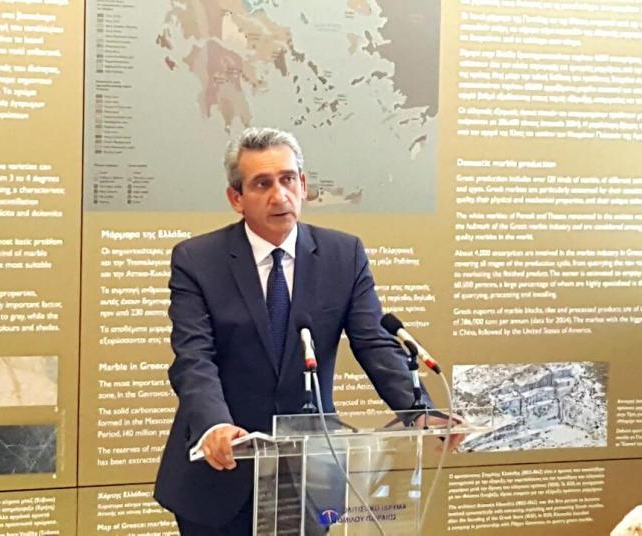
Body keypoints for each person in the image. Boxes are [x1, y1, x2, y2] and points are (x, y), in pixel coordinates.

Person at [154, 127, 456, 535]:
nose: (279, 195)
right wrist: (215, 424)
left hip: (311, 471)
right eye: (262, 184)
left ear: (304, 184)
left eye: (287, 179)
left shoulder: (343, 255)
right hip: (222, 469)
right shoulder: (197, 259)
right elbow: (194, 357)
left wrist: (418, 411)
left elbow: (373, 342)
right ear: (236, 198)